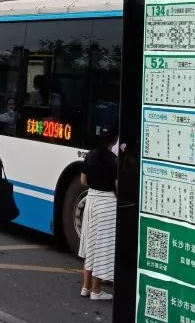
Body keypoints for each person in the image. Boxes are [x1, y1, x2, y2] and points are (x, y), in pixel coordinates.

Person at [79, 125, 118, 300]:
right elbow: (117, 185)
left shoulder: (90, 155)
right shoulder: (114, 160)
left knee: (90, 244)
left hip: (91, 201)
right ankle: (96, 290)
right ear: (114, 141)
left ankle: (85, 287)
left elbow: (83, 180)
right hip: (107, 204)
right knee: (102, 247)